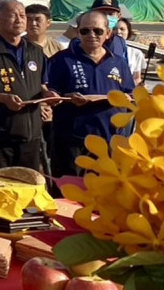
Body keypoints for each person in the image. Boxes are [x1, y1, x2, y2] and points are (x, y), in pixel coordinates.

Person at [0, 0, 57, 171]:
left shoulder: (35, 51)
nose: (20, 20)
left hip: (31, 134)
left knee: (27, 187)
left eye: (22, 15)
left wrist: (48, 95)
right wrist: (2, 98)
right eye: (13, 16)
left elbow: (42, 84)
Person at [45, 10, 133, 178]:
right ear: (78, 32)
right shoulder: (61, 59)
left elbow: (130, 95)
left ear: (107, 33)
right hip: (72, 142)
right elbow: (50, 92)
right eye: (85, 30)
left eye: (97, 31)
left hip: (110, 140)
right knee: (69, 193)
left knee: (107, 194)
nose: (91, 35)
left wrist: (117, 99)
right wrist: (59, 97)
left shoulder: (118, 62)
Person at [114, 18, 146, 85]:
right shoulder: (103, 52)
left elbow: (136, 78)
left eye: (122, 29)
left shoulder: (136, 53)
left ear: (128, 32)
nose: (118, 32)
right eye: (114, 29)